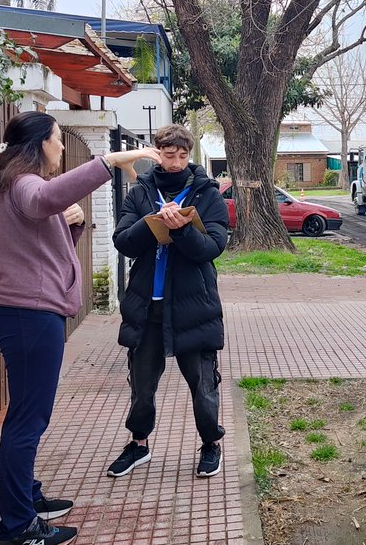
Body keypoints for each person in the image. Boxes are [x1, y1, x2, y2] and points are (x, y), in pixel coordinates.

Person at [0, 111, 160, 545]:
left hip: (26, 314)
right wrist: (112, 161)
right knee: (27, 421)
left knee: (25, 416)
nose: (61, 147)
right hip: (28, 317)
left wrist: (73, 225)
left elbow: (46, 251)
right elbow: (44, 201)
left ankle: (25, 500)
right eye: (59, 139)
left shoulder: (17, 185)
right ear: (41, 143)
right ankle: (19, 526)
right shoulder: (25, 184)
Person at [106, 124, 230, 480]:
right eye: (166, 155)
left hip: (194, 305)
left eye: (180, 156)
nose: (174, 163)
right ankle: (138, 443)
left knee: (203, 385)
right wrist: (153, 224)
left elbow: (212, 247)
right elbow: (123, 241)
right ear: (156, 153)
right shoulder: (141, 192)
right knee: (141, 385)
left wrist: (181, 229)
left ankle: (211, 444)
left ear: (188, 154)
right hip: (147, 306)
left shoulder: (207, 193)